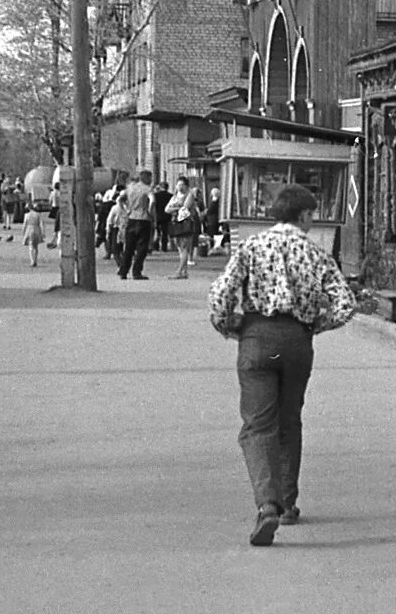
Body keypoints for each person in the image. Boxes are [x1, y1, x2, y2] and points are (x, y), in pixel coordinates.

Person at [207, 184, 365, 547]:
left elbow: (220, 295)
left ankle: (267, 505)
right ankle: (289, 503)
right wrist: (316, 325)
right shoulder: (317, 254)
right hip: (296, 343)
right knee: (289, 421)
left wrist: (227, 326)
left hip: (256, 339)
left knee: (257, 425)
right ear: (305, 216)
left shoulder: (250, 247)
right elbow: (345, 304)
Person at [116, 170, 156, 280]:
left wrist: (126, 210)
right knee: (142, 248)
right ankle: (136, 272)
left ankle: (123, 271)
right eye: (150, 178)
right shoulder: (148, 189)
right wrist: (150, 212)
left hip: (131, 218)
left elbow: (120, 199)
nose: (151, 180)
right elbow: (152, 201)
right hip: (144, 219)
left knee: (129, 247)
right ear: (146, 178)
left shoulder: (130, 187)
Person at [166, 176, 204, 279]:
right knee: (179, 247)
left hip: (186, 223)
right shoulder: (174, 196)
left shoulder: (189, 195)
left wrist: (174, 207)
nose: (179, 187)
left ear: (187, 186)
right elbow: (166, 209)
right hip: (176, 223)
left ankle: (179, 271)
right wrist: (176, 207)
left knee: (184, 247)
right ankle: (184, 272)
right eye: (178, 184)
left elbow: (185, 208)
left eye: (182, 185)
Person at [153, 181, 174, 251]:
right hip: (167, 216)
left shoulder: (155, 195)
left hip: (157, 216)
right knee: (165, 232)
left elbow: (154, 205)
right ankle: (164, 247)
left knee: (157, 231)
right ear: (167, 187)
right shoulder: (170, 196)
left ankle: (156, 246)